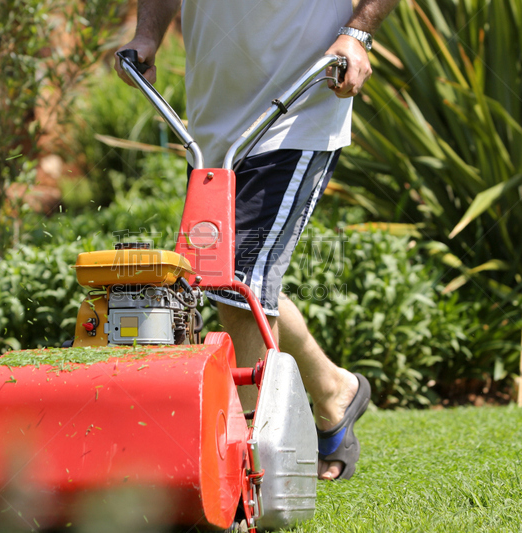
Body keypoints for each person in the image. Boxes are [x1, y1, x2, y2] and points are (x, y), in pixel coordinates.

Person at [115, 0, 400, 481]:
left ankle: (238, 465)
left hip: (301, 104)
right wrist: (148, 35)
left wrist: (358, 32)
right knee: (229, 278)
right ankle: (334, 389)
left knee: (237, 280)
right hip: (213, 126)